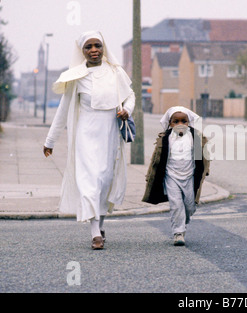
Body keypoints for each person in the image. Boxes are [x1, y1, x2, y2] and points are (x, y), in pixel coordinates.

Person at [43, 31, 135, 250]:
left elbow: (129, 96)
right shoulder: (75, 76)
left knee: (104, 181)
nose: (94, 50)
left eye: (97, 45)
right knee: (90, 182)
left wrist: (127, 111)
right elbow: (63, 110)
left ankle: (100, 225)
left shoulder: (115, 71)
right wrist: (50, 141)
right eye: (89, 47)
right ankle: (95, 233)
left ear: (103, 48)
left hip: (110, 133)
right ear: (82, 51)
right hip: (85, 135)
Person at [142, 106, 210, 246]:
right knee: (176, 204)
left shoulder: (196, 137)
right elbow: (156, 158)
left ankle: (182, 221)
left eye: (184, 121)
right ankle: (178, 233)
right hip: (171, 176)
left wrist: (205, 170)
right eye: (175, 121)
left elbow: (204, 157)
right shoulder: (165, 138)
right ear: (169, 123)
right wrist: (151, 175)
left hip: (190, 176)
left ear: (189, 123)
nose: (180, 124)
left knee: (190, 206)